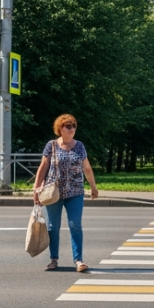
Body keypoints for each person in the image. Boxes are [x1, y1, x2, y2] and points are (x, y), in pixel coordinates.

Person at [32, 114, 99, 272]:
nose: (72, 129)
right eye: (68, 126)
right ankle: (53, 259)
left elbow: (87, 168)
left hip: (75, 191)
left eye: (74, 126)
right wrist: (36, 189)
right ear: (60, 129)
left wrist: (93, 187)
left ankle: (78, 260)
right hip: (53, 192)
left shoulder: (79, 146)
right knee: (52, 226)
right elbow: (43, 168)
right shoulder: (52, 145)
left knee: (75, 225)